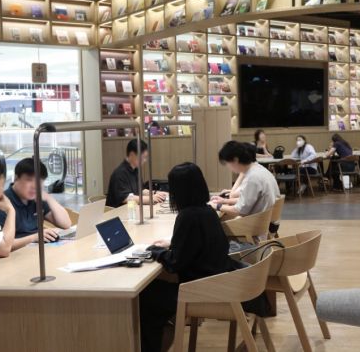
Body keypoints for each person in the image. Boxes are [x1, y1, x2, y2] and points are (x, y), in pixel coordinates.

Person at [139, 163, 238, 352]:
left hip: (198, 290)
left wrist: (155, 251)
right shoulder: (208, 211)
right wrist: (173, 244)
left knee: (144, 296)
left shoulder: (187, 217)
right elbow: (193, 246)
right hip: (216, 281)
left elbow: (174, 264)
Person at [0, 158, 72, 250]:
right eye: (29, 180)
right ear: (16, 178)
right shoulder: (2, 203)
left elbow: (66, 224)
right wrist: (34, 237)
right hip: (16, 254)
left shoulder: (36, 199)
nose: (34, 186)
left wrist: (49, 198)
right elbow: (2, 246)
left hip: (37, 250)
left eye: (39, 181)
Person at [210, 141, 280, 218]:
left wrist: (216, 206)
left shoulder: (253, 177)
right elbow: (248, 200)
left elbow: (238, 210)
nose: (228, 167)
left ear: (235, 160)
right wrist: (224, 201)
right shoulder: (260, 170)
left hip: (254, 222)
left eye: (227, 163)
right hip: (263, 220)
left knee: (212, 221)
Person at [106, 139, 168, 208]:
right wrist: (151, 198)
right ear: (132, 154)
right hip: (118, 211)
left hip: (131, 209)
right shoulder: (119, 173)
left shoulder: (136, 170)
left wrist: (156, 193)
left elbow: (140, 191)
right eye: (143, 157)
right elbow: (126, 198)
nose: (145, 160)